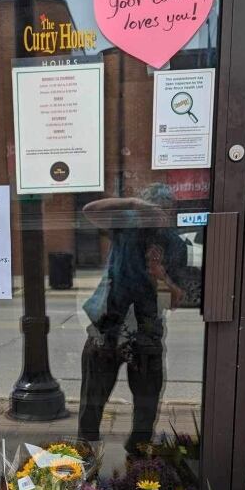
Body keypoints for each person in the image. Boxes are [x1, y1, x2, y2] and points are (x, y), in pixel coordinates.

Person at [77, 183, 187, 455]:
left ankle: (137, 457)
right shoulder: (126, 226)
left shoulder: (174, 243)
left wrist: (162, 276)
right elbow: (89, 210)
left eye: (163, 211)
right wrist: (133, 204)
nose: (157, 218)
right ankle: (86, 455)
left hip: (147, 332)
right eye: (152, 210)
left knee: (147, 406)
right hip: (107, 326)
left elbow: (176, 300)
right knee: (92, 402)